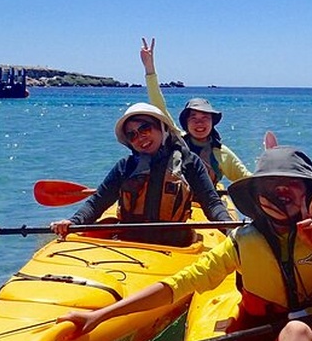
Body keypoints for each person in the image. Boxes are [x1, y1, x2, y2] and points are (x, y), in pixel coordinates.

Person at [58, 145, 312, 341]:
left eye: (292, 186)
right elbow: (177, 286)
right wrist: (98, 316)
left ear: (310, 195)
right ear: (258, 197)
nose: (282, 195)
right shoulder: (243, 242)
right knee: (296, 330)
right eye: (273, 187)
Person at [50, 102, 233, 246]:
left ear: (162, 128)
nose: (140, 138)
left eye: (145, 129)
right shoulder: (125, 167)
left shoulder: (189, 162)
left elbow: (211, 204)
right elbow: (97, 202)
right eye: (132, 135)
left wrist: (231, 230)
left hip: (176, 247)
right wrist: (72, 222)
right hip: (131, 245)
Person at [140, 37, 251, 186]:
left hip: (208, 204)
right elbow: (158, 107)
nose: (199, 122)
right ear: (186, 123)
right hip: (175, 202)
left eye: (205, 117)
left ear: (212, 122)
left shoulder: (221, 153)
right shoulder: (178, 140)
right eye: (194, 118)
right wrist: (149, 69)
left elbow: (247, 179)